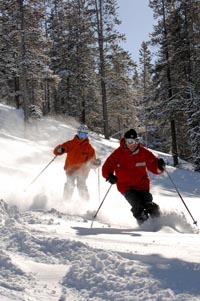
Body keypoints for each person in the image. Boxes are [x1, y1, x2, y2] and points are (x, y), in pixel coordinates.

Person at [102, 129, 166, 225]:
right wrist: (109, 176)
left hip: (142, 185)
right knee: (137, 205)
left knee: (148, 204)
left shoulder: (144, 152)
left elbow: (154, 168)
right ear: (125, 141)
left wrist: (160, 167)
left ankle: (158, 223)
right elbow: (107, 167)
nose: (133, 144)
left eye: (136, 141)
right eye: (130, 142)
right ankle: (144, 226)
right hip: (126, 187)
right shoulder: (118, 153)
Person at [53, 124, 101, 201]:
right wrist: (60, 149)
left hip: (82, 171)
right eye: (80, 134)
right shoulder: (71, 143)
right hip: (70, 169)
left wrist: (95, 163)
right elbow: (57, 151)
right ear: (77, 133)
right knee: (69, 184)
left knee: (81, 185)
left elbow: (91, 162)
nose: (82, 137)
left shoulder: (89, 148)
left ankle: (85, 203)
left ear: (86, 135)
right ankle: (66, 202)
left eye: (84, 135)